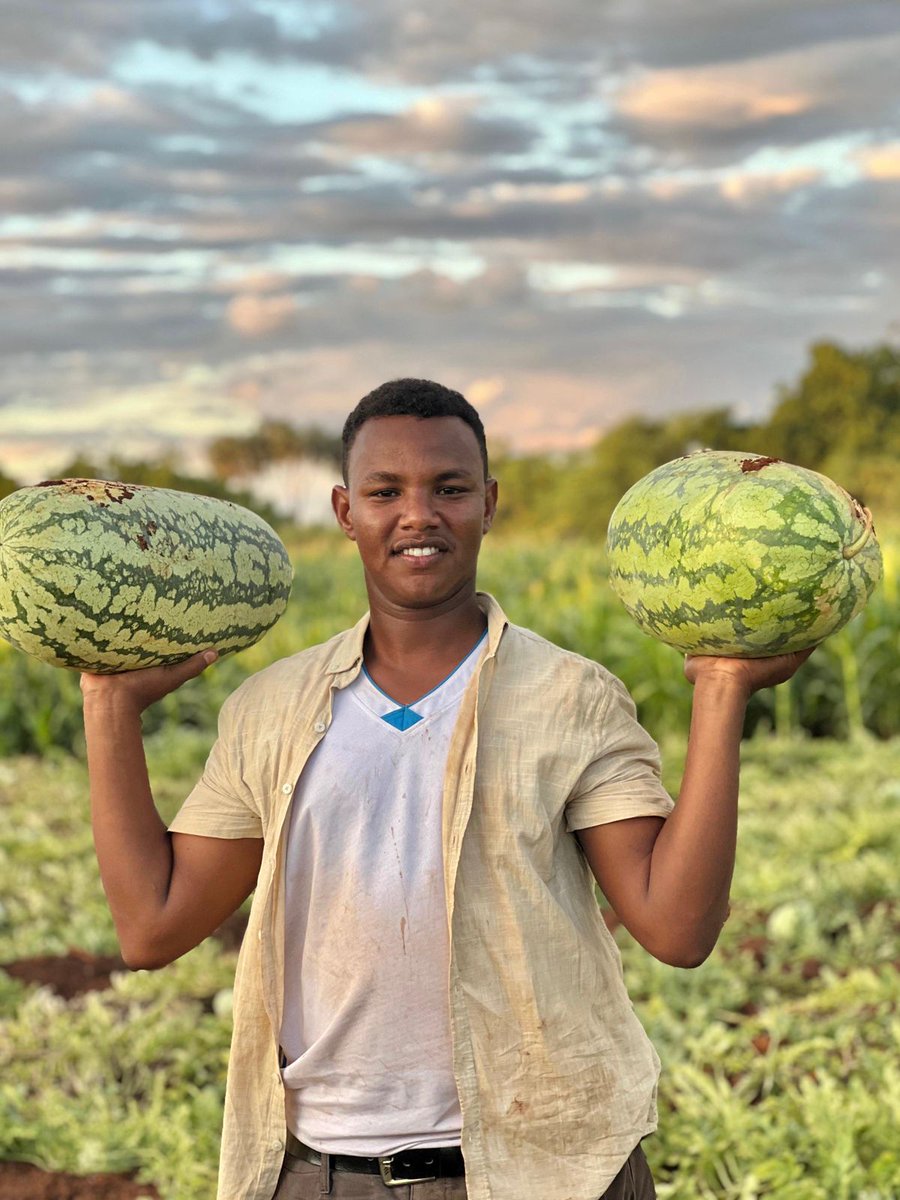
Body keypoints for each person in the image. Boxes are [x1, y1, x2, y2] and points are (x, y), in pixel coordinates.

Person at [81, 379, 811, 1200]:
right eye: (385, 491)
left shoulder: (572, 697)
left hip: (550, 1168)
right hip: (324, 1176)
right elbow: (150, 929)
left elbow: (678, 931)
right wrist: (110, 703)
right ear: (344, 510)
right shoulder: (270, 709)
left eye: (450, 489)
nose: (418, 515)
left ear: (490, 504)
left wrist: (720, 690)